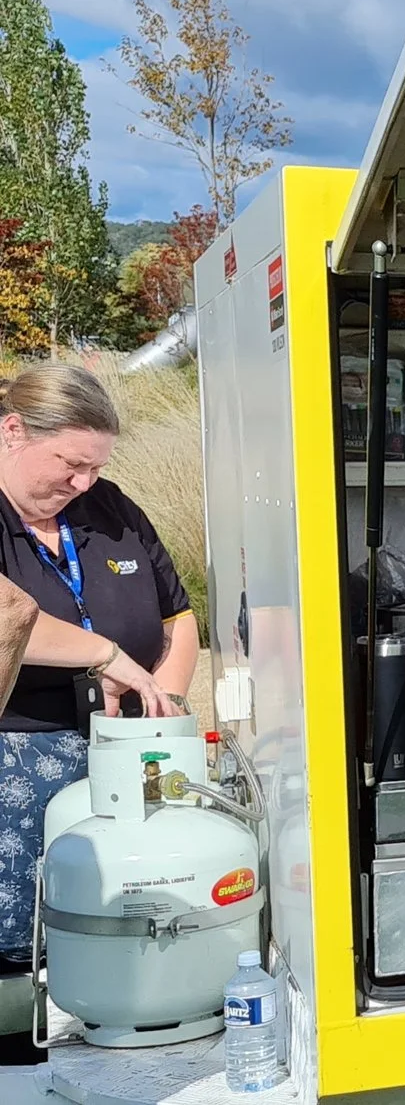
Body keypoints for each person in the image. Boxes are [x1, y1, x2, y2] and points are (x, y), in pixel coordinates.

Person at [0, 364, 189, 968]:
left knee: (124, 932)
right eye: (69, 463)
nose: (83, 482)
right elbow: (8, 617)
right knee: (22, 944)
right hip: (19, 766)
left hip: (124, 756)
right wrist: (105, 655)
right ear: (13, 431)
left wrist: (164, 708)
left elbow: (178, 617)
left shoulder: (107, 506)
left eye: (96, 468)